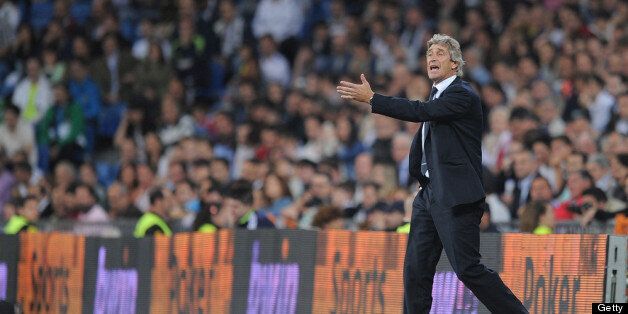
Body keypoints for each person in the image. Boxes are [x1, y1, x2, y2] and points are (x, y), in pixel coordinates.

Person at [337, 34, 527, 313]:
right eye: (429, 54)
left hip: (456, 197)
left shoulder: (462, 94)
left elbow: (420, 112)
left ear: (455, 63)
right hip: (429, 195)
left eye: (439, 53)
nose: (432, 58)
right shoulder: (437, 95)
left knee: (467, 268)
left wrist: (373, 99)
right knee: (415, 270)